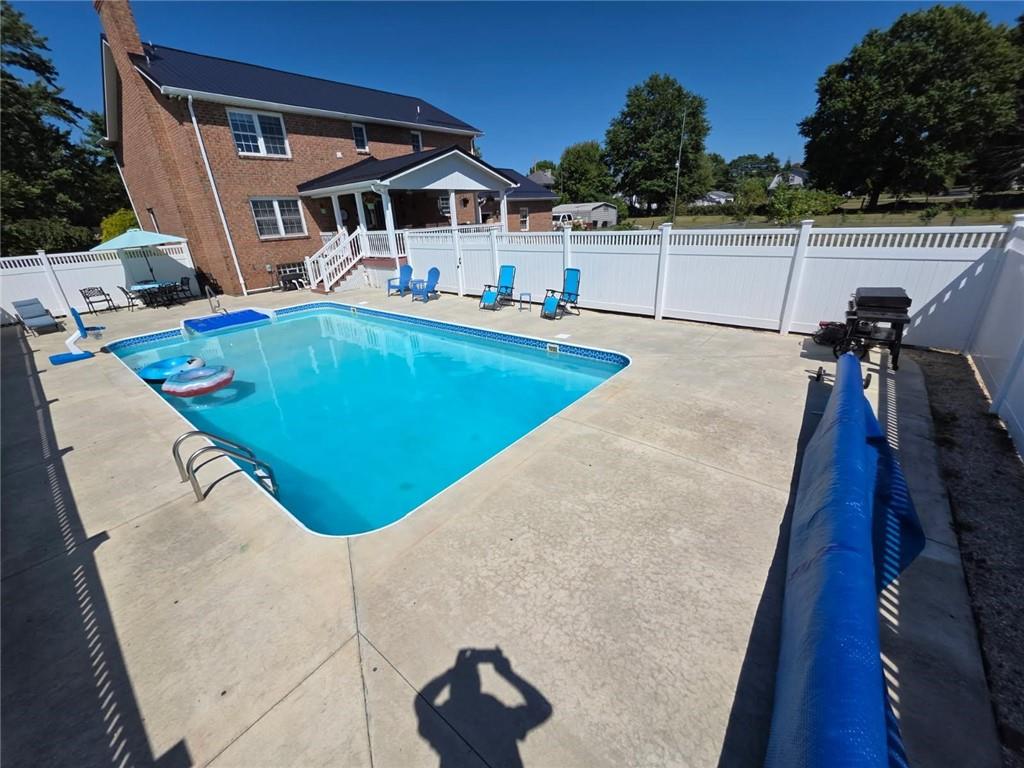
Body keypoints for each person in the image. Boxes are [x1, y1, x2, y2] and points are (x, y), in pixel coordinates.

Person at [416, 647, 551, 768]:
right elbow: (542, 709)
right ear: (478, 685)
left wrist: (451, 673)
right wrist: (507, 673)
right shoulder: (496, 717)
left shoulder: (446, 720)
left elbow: (422, 704)